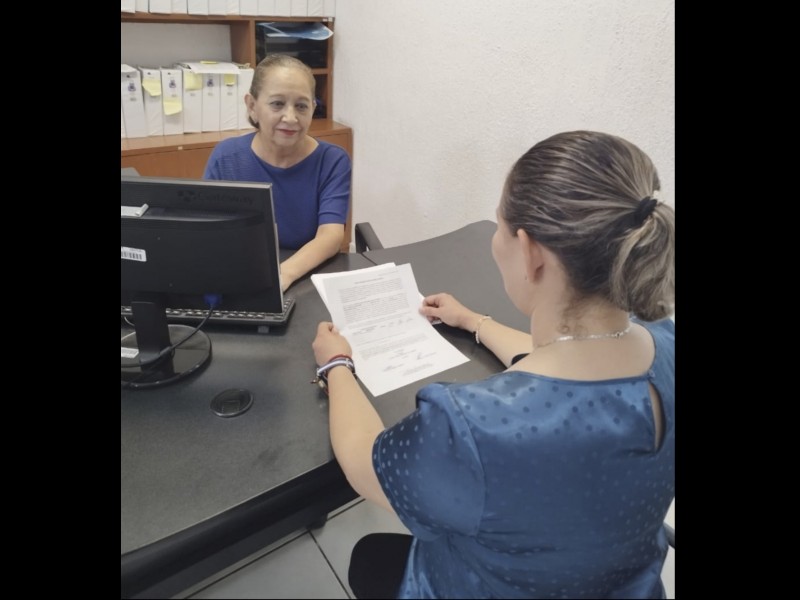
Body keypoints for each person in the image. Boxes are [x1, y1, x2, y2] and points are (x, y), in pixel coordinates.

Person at [312, 130, 675, 599]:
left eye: (499, 227)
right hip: (623, 585)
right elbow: (576, 370)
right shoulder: (664, 342)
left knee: (369, 557)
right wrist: (474, 322)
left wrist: (337, 364)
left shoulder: (474, 426)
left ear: (530, 252)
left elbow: (365, 466)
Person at [204, 54, 351, 292]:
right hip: (244, 273)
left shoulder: (332, 160)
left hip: (306, 275)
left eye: (301, 106)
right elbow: (209, 233)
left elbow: (331, 236)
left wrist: (282, 275)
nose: (290, 118)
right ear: (252, 106)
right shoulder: (226, 157)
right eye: (277, 104)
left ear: (313, 109)